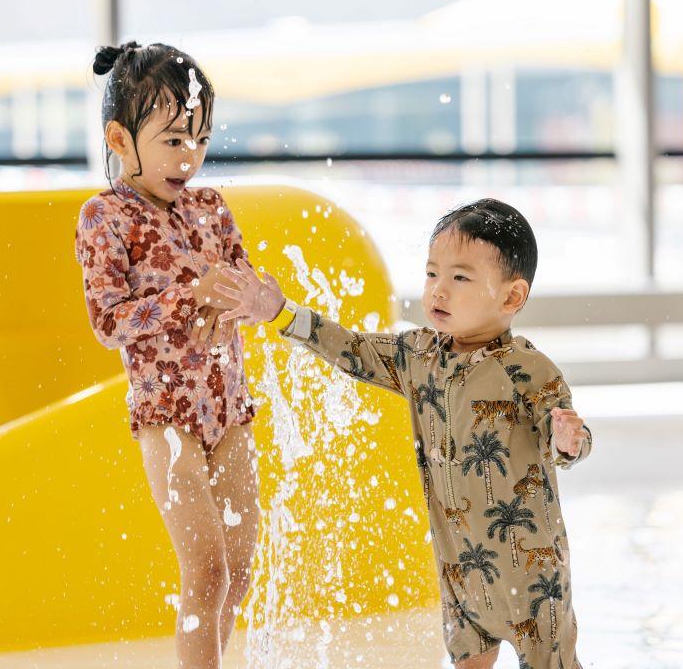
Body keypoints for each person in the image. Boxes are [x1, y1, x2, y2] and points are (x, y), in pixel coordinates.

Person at [215, 198, 592, 668]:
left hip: (532, 575)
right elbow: (350, 348)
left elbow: (569, 438)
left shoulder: (529, 371)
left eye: (460, 278)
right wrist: (282, 312)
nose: (438, 291)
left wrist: (567, 442)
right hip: (461, 571)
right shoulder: (418, 356)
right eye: (432, 273)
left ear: (512, 297)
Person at [75, 41, 258, 669]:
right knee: (205, 570)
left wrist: (253, 296)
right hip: (167, 417)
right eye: (175, 140)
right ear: (120, 138)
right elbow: (108, 320)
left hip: (230, 409)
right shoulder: (106, 217)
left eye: (201, 139)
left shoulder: (211, 208)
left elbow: (245, 281)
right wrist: (190, 296)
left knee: (238, 570)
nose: (192, 157)